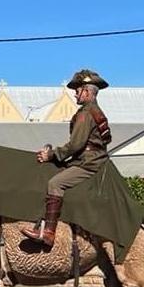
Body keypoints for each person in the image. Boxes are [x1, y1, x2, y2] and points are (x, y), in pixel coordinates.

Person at [21, 69, 111, 247]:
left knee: (55, 183)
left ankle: (48, 233)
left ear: (86, 91)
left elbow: (76, 145)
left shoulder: (86, 114)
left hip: (87, 163)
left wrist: (51, 155)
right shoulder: (96, 111)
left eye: (77, 91)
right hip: (92, 159)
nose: (75, 95)